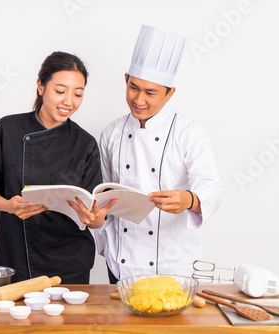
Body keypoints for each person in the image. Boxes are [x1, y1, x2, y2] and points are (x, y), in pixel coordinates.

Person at [95, 25, 224, 283]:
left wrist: (189, 200)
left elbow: (212, 187)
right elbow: (103, 197)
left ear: (169, 93)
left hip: (173, 265)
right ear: (126, 80)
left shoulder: (188, 131)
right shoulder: (111, 134)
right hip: (122, 263)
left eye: (150, 92)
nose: (139, 99)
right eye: (134, 87)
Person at [0, 51, 115, 284]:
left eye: (78, 94)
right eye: (60, 91)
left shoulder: (85, 143)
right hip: (15, 258)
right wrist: (9, 206)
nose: (69, 101)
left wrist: (95, 219)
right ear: (41, 86)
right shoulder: (8, 129)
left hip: (69, 264)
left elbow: (96, 214)